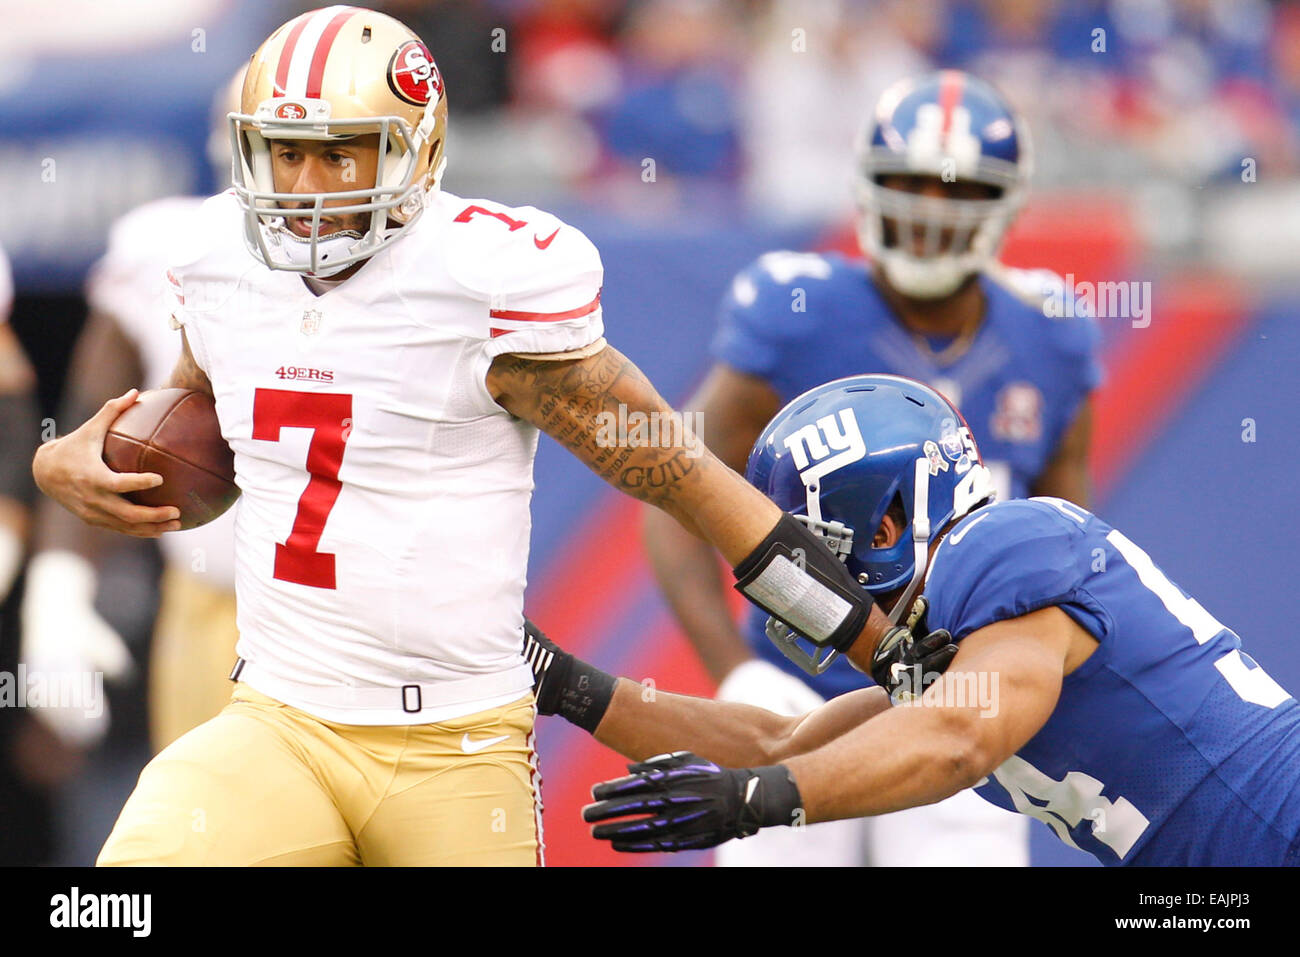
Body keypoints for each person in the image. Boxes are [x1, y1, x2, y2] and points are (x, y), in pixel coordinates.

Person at [31, 6, 909, 867]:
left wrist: (883, 646)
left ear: (414, 151)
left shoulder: (483, 286)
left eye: (339, 153)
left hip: (452, 743)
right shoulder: (219, 263)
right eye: (285, 150)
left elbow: (684, 481)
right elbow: (193, 423)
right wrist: (65, 460)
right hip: (278, 718)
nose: (301, 185)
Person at [530, 374, 1300, 866]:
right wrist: (560, 683)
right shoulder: (951, 646)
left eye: (814, 545)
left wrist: (753, 799)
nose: (802, 582)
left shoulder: (999, 548)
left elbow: (962, 738)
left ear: (888, 521)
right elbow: (778, 740)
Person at [643, 69, 1098, 866]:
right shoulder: (800, 313)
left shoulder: (1050, 335)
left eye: (954, 189)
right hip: (800, 700)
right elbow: (672, 490)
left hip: (957, 704)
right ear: (867, 187)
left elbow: (1067, 553)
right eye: (909, 183)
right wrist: (738, 670)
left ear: (1006, 202)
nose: (928, 209)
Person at [20, 72, 245, 756]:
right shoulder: (171, 248)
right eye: (279, 144)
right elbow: (89, 426)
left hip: (374, 621)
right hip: (210, 607)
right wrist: (56, 594)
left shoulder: (441, 272)